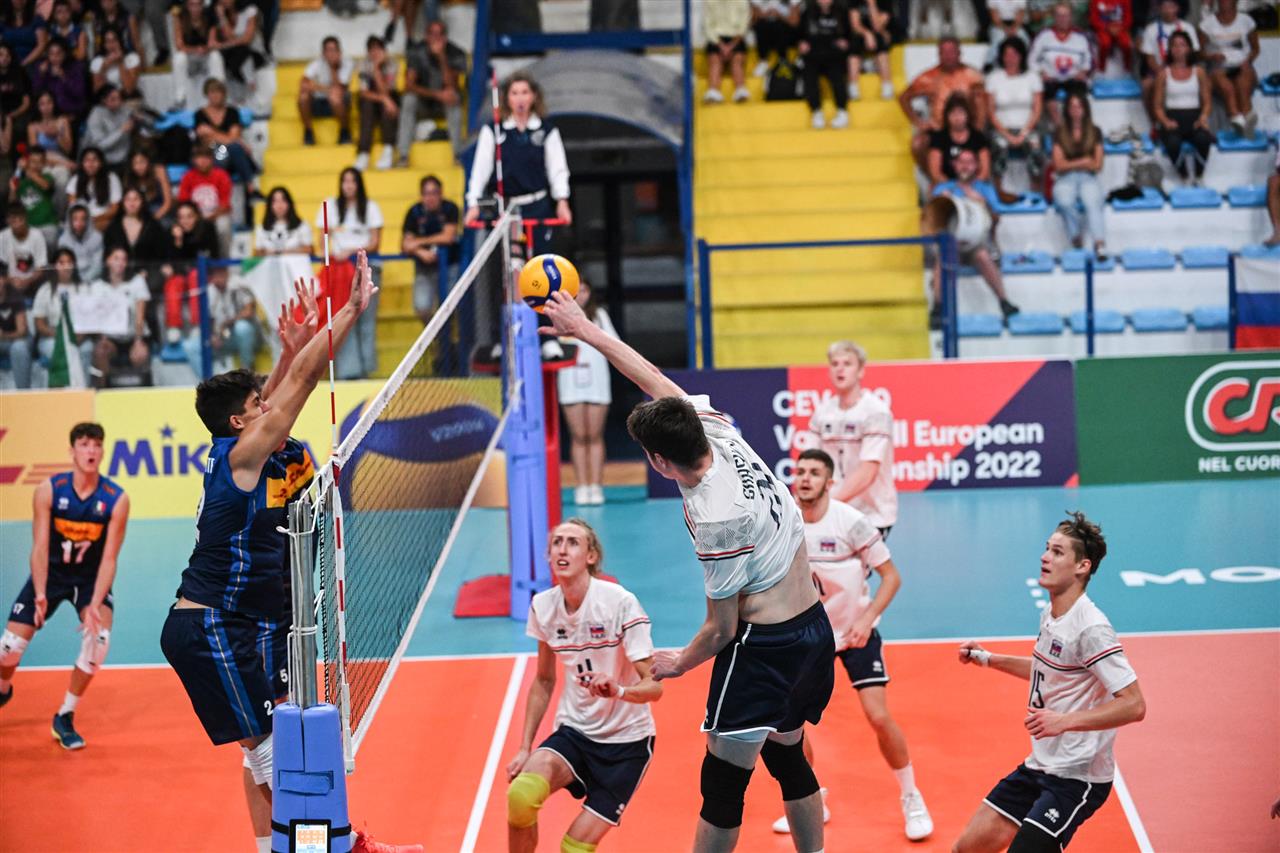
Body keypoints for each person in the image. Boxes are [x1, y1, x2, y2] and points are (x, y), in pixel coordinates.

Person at [541, 290, 835, 853]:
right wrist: (584, 329)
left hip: (765, 647)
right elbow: (652, 377)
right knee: (788, 754)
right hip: (813, 630)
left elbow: (721, 629)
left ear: (659, 462)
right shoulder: (717, 429)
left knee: (722, 788)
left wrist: (677, 663)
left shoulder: (717, 518)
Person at [160, 260, 417, 853]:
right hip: (212, 626)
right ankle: (345, 844)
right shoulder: (241, 458)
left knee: (270, 744)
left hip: (246, 620)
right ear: (239, 421)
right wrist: (349, 310)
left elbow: (279, 388)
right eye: (258, 403)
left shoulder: (240, 443)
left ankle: (281, 847)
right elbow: (300, 382)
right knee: (276, 752)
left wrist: (289, 349)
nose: (268, 403)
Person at [952, 513, 1146, 852]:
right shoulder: (1053, 615)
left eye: (1057, 552)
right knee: (966, 849)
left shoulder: (1091, 628)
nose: (1045, 557)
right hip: (1039, 766)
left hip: (1077, 778)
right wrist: (988, 658)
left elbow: (1134, 704)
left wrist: (1064, 721)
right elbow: (1050, 670)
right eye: (1046, 549)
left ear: (1082, 566)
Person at [772, 449, 932, 840]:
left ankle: (912, 796)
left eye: (814, 473)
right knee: (789, 727)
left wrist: (865, 619)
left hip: (856, 634)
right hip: (807, 638)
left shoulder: (851, 522)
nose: (804, 478)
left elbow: (891, 577)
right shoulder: (784, 521)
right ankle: (810, 798)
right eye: (800, 471)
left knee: (878, 716)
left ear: (829, 483)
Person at [505, 518, 662, 853]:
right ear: (549, 555)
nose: (563, 549)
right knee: (521, 796)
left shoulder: (619, 603)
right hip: (575, 732)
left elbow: (654, 687)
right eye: (557, 542)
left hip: (627, 745)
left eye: (573, 542)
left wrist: (618, 690)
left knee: (573, 848)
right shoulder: (543, 606)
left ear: (591, 556)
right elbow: (544, 679)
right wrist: (524, 747)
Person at [0, 423, 129, 749]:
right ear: (72, 451)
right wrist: (40, 593)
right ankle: (2, 688)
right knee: (9, 647)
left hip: (90, 580)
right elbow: (40, 548)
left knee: (99, 640)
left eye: (96, 444)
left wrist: (95, 605)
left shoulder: (116, 499)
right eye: (84, 444)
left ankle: (65, 715)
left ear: (102, 451)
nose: (91, 450)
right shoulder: (49, 490)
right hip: (52, 574)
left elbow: (109, 559)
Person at [465, 71, 572, 360]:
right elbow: (481, 169)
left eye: (525, 92)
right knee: (503, 274)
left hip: (538, 207)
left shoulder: (546, 131)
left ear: (533, 96)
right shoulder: (495, 130)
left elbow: (557, 168)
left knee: (544, 272)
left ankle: (547, 336)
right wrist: (473, 203)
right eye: (514, 93)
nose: (520, 99)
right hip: (506, 210)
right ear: (507, 99)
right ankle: (503, 337)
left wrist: (562, 201)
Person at [803, 340, 899, 533]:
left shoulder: (876, 413)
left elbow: (868, 471)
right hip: (830, 512)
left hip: (871, 515)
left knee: (854, 555)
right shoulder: (822, 413)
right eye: (835, 364)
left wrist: (828, 504)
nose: (840, 369)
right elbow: (809, 462)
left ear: (861, 371)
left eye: (847, 364)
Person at [926, 149, 1020, 324]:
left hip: (975, 242)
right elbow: (932, 219)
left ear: (976, 166)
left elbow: (996, 219)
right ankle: (937, 308)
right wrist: (941, 200)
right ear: (955, 165)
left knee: (982, 255)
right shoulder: (943, 188)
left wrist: (983, 203)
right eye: (961, 162)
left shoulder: (985, 188)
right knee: (942, 257)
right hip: (951, 243)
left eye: (969, 162)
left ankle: (1004, 302)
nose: (965, 166)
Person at [557, 281, 618, 507]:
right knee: (579, 436)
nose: (580, 295)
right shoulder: (559, 315)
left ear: (589, 293)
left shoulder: (599, 315)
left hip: (597, 383)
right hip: (570, 383)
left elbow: (614, 345)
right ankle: (581, 485)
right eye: (576, 291)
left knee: (594, 435)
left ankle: (596, 486)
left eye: (584, 290)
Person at [318, 167, 383, 379]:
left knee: (366, 322)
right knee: (346, 320)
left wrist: (352, 251)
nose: (349, 185)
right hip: (339, 272)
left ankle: (366, 371)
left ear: (359, 184)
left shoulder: (371, 207)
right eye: (345, 181)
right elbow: (322, 242)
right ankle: (351, 373)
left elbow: (375, 242)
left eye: (353, 181)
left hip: (366, 269)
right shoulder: (330, 206)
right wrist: (334, 255)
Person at [898, 37, 987, 174]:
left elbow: (982, 103)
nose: (948, 55)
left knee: (982, 142)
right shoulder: (929, 77)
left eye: (951, 51)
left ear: (959, 53)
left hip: (966, 128)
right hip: (940, 129)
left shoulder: (972, 75)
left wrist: (977, 131)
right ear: (939, 54)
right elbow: (904, 97)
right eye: (944, 52)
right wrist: (919, 122)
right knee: (918, 144)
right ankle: (935, 178)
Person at [395, 18, 466, 166]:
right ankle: (403, 155)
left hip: (444, 103)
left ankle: (458, 154)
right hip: (424, 101)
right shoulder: (416, 52)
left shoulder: (456, 53)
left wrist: (442, 57)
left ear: (445, 37)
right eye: (432, 34)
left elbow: (452, 85)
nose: (436, 38)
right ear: (426, 36)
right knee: (408, 100)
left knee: (453, 98)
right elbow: (409, 85)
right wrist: (437, 94)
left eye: (440, 34)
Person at [1052, 90, 1107, 259]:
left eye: (1079, 106)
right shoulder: (1059, 132)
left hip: (1088, 177)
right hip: (1065, 178)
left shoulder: (1095, 131)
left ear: (1085, 109)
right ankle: (1076, 237)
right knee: (1064, 200)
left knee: (1092, 202)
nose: (1075, 110)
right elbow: (1058, 165)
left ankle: (1099, 244)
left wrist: (1072, 163)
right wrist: (1083, 161)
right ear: (1067, 110)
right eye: (1072, 107)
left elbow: (1097, 165)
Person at [1153, 31, 1213, 183]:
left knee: (1203, 139)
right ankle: (1184, 175)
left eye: (1182, 45)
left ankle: (1199, 175)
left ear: (1189, 48)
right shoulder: (1163, 74)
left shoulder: (1199, 72)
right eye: (1174, 45)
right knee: (1172, 143)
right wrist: (1165, 121)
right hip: (1172, 118)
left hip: (1195, 117)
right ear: (1170, 49)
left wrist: (1203, 118)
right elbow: (1157, 106)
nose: (1178, 49)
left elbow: (1207, 102)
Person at [986, 37, 1044, 194]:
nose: (1010, 59)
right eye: (1007, 55)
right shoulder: (994, 78)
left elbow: (1037, 109)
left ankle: (1035, 194)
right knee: (998, 145)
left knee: (1035, 146)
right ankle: (999, 193)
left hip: (1028, 127)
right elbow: (990, 112)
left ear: (1021, 56)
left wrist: (1024, 133)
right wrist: (1007, 135)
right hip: (1001, 129)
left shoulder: (1032, 77)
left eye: (1014, 54)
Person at [89, 245, 151, 386]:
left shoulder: (137, 281)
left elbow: (140, 315)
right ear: (107, 261)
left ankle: (143, 393)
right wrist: (102, 338)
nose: (120, 262)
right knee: (100, 351)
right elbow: (96, 317)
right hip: (110, 338)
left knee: (141, 354)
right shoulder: (97, 286)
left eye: (124, 259)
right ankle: (104, 391)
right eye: (116, 258)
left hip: (133, 335)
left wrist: (138, 341)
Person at [400, 174, 458, 325]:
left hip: (449, 265)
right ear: (421, 195)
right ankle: (435, 334)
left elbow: (448, 237)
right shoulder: (414, 212)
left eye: (434, 193)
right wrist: (420, 251)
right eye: (426, 193)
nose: (430, 197)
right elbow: (405, 244)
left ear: (441, 193)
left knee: (449, 308)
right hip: (424, 267)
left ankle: (446, 335)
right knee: (422, 308)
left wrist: (418, 242)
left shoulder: (450, 208)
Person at [1198, 0, 1259, 137]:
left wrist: (1248, 60)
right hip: (1218, 68)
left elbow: (1255, 49)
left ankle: (1247, 118)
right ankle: (1235, 117)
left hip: (1241, 65)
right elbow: (1198, 53)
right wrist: (1211, 56)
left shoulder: (1246, 21)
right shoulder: (1206, 24)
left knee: (1243, 83)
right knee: (1226, 86)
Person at [31, 248, 96, 374]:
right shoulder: (45, 290)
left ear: (74, 265)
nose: (66, 266)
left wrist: (80, 336)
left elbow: (90, 318)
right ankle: (62, 385)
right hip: (52, 336)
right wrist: (60, 335)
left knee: (86, 349)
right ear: (54, 266)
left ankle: (83, 386)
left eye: (69, 262)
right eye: (61, 263)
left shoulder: (84, 289)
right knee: (57, 350)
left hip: (78, 336)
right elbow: (39, 324)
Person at [1029, 2, 1092, 126]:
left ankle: (1076, 128)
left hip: (1073, 78)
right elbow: (1031, 60)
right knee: (1046, 90)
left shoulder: (1080, 37)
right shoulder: (1044, 36)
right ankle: (1060, 128)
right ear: (1054, 17)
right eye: (1059, 15)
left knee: (1079, 92)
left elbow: (1089, 61)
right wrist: (1041, 73)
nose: (1062, 19)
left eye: (1066, 15)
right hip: (1050, 78)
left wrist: (1083, 71)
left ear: (1071, 17)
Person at [1139, 0, 1199, 118]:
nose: (1167, 10)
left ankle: (1199, 119)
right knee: (1147, 85)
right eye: (1164, 6)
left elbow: (1194, 53)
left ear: (1177, 8)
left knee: (1203, 78)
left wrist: (1179, 69)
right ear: (1159, 9)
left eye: (1171, 6)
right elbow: (1149, 58)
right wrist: (1162, 72)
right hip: (1159, 70)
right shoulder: (1151, 29)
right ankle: (1155, 121)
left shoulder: (1187, 28)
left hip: (1184, 68)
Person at [798, 0, 852, 129]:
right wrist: (801, 43)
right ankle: (816, 111)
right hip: (813, 54)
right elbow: (800, 35)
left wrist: (846, 43)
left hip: (834, 55)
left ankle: (842, 111)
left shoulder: (841, 12)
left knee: (838, 77)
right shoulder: (807, 13)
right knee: (809, 76)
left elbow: (849, 35)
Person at [195, 78, 258, 188]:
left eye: (218, 92)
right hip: (212, 152)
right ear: (207, 94)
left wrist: (211, 132)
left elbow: (233, 137)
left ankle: (250, 187)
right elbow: (205, 140)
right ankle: (220, 188)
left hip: (231, 152)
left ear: (223, 94)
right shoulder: (199, 114)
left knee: (235, 148)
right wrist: (235, 140)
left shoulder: (232, 112)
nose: (215, 95)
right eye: (212, 92)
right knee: (224, 151)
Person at [177, 145, 233, 257]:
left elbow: (225, 204)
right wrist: (195, 217)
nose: (203, 161)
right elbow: (184, 202)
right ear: (194, 160)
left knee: (223, 226)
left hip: (216, 215)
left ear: (212, 159)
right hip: (194, 216)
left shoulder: (221, 175)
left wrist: (209, 217)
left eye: (206, 158)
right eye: (199, 158)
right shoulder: (188, 177)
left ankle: (223, 261)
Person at [354, 35, 399, 172]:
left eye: (378, 49)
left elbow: (386, 92)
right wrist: (384, 99)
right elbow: (364, 93)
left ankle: (388, 149)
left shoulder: (392, 64)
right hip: (372, 102)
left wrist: (377, 69)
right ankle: (363, 153)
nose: (375, 52)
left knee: (389, 105)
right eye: (371, 49)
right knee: (367, 104)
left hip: (387, 101)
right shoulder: (362, 65)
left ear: (384, 51)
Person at [298, 36, 353, 146]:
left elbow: (339, 90)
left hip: (339, 103)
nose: (331, 53)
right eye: (328, 50)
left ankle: (344, 131)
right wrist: (326, 89)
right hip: (320, 101)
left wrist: (334, 68)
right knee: (303, 97)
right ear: (323, 53)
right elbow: (303, 84)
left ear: (339, 52)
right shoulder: (317, 63)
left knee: (335, 97)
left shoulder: (347, 63)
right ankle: (308, 132)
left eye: (334, 50)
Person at [928, 93, 991, 187]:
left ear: (968, 115)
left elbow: (985, 172)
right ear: (947, 116)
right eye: (953, 113)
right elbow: (935, 173)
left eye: (961, 113)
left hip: (975, 186)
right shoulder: (939, 138)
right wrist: (954, 187)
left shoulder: (978, 137)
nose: (957, 118)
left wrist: (970, 188)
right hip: (947, 186)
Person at [171, 0, 224, 108]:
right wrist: (195, 50)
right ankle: (180, 97)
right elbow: (179, 45)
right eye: (192, 5)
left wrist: (205, 49)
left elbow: (212, 42)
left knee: (216, 56)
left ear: (202, 5)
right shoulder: (180, 16)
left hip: (205, 55)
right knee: (178, 58)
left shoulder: (209, 16)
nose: (195, 9)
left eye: (198, 5)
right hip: (189, 57)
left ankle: (219, 93)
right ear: (187, 5)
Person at [703, 0, 751, 104]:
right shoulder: (709, 1)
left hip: (736, 39)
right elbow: (708, 26)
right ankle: (713, 91)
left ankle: (740, 90)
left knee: (737, 61)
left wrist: (731, 45)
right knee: (715, 61)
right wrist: (721, 45)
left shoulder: (742, 2)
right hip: (716, 39)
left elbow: (744, 26)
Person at [103, 186, 169, 262]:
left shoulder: (153, 226)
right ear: (122, 202)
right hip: (120, 269)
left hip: (149, 269)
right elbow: (108, 255)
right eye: (128, 199)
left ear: (142, 202)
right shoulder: (113, 227)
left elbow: (161, 255)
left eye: (136, 199)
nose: (132, 203)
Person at [12, 146, 59, 249]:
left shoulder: (47, 176)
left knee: (50, 245)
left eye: (39, 162)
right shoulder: (22, 182)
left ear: (44, 163)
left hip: (48, 225)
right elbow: (12, 202)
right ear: (27, 162)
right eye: (33, 161)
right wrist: (13, 189)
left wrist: (27, 170)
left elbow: (45, 186)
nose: (36, 165)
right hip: (29, 227)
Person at [66, 147, 122, 232]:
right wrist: (84, 220)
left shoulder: (111, 178)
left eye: (94, 160)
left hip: (103, 219)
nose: (91, 164)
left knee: (107, 224)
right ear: (82, 163)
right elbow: (72, 206)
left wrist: (95, 219)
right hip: (81, 220)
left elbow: (114, 209)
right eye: (87, 160)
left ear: (101, 163)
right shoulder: (76, 179)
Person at [848, 0, 895, 101]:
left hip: (880, 32)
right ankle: (853, 87)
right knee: (854, 44)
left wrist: (872, 5)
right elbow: (855, 25)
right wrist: (867, 34)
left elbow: (877, 26)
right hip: (861, 33)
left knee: (881, 42)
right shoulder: (854, 2)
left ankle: (887, 85)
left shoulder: (886, 2)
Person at [30, 38, 87, 120]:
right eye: (51, 54)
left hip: (71, 112)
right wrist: (41, 75)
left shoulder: (75, 67)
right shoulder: (43, 66)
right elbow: (36, 92)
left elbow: (79, 93)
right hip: (49, 114)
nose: (55, 57)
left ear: (65, 53)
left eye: (58, 53)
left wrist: (63, 77)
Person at [81, 84, 136, 170]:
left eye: (119, 98)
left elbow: (137, 115)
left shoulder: (124, 109)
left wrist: (138, 116)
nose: (118, 102)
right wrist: (121, 131)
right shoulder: (96, 115)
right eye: (113, 99)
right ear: (103, 100)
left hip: (124, 158)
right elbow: (99, 146)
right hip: (103, 162)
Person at [210, 0, 263, 85]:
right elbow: (229, 37)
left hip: (253, 51)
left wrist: (224, 45)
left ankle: (249, 80)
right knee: (218, 55)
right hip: (234, 52)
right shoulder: (221, 14)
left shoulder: (250, 10)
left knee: (242, 50)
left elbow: (247, 39)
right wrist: (222, 16)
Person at [1, 203, 48, 295]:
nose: (18, 224)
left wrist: (27, 281)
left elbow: (41, 268)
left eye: (21, 220)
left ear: (26, 218)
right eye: (14, 221)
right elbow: (1, 267)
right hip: (10, 283)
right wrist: (10, 280)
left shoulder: (37, 235)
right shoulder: (2, 237)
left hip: (33, 282)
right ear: (8, 221)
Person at [255, 186, 313, 255]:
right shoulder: (261, 227)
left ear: (289, 203)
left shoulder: (302, 225)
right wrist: (268, 252)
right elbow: (257, 252)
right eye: (275, 201)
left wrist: (287, 252)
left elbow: (309, 249)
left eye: (283, 200)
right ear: (269, 205)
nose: (279, 205)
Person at [0, 270, 34, 388]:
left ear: (5, 280)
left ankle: (23, 393)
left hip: (19, 339)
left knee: (19, 348)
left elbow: (22, 331)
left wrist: (3, 335)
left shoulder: (15, 297)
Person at [750, 0, 801, 77]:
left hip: (786, 33)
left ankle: (783, 59)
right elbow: (753, 21)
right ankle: (763, 61)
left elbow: (795, 23)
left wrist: (779, 16)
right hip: (766, 31)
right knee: (761, 25)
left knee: (779, 25)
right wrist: (765, 15)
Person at [124, 148, 175, 222]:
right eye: (135, 163)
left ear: (148, 161)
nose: (139, 166)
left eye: (142, 162)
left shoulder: (159, 170)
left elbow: (168, 203)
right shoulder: (129, 178)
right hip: (139, 214)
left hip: (161, 211)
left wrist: (152, 221)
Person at [89, 27, 141, 99]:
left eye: (114, 40)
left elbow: (129, 90)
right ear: (104, 44)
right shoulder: (97, 61)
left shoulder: (132, 58)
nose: (111, 45)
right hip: (107, 101)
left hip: (127, 99)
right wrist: (104, 66)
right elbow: (97, 90)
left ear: (120, 41)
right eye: (108, 41)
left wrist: (121, 63)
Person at [58, 203, 105, 282]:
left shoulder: (97, 237)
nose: (79, 223)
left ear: (88, 220)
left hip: (94, 280)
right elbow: (65, 266)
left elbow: (98, 265)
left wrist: (84, 280)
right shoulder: (63, 240)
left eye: (83, 219)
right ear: (70, 221)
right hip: (71, 280)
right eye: (75, 219)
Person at [2, 0, 49, 66]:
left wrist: (24, 63)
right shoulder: (3, 21)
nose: (18, 0)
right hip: (7, 63)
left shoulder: (37, 19)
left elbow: (41, 44)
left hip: (32, 62)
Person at [1088, 0, 1132, 71]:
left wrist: (1121, 27)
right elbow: (1093, 19)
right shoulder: (1096, 1)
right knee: (1105, 43)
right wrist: (1106, 27)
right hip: (1103, 28)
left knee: (1126, 43)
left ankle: (1127, 68)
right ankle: (1101, 68)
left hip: (1120, 28)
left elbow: (1128, 18)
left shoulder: (1125, 1)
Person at [986, 0, 1030, 69]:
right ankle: (989, 63)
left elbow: (1020, 15)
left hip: (1016, 24)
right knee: (998, 38)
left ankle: (1028, 62)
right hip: (998, 25)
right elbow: (995, 18)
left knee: (1024, 38)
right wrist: (1006, 29)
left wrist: (1014, 28)